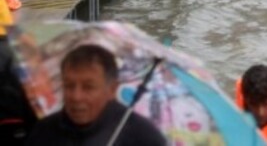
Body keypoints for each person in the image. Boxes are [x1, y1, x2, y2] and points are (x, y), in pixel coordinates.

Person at [25, 44, 167, 145]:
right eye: (69, 86)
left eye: (88, 87)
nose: (76, 96)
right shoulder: (44, 132)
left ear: (112, 89)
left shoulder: (143, 137)